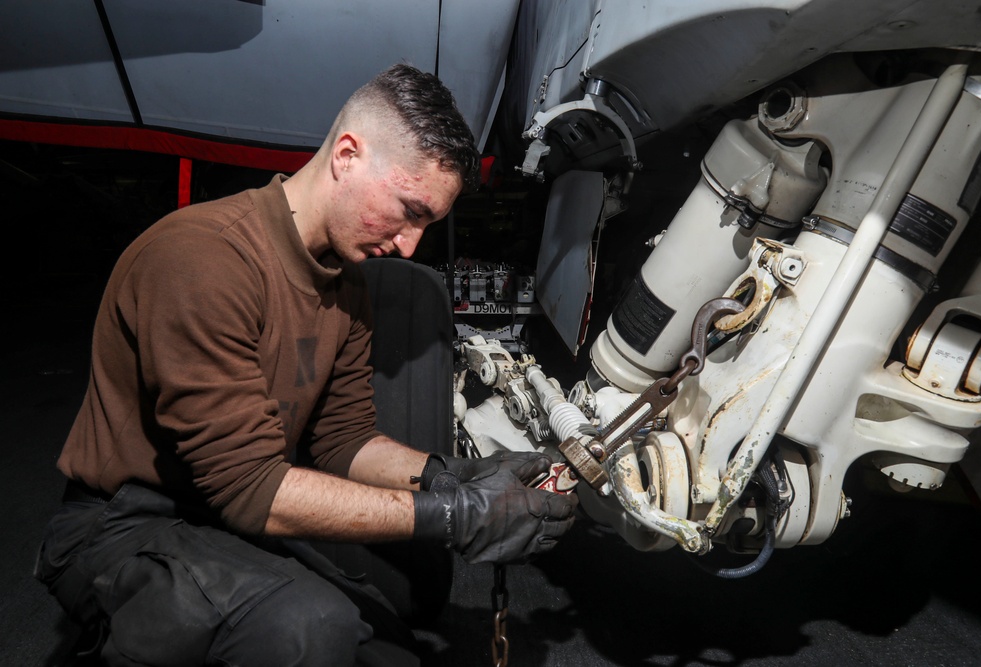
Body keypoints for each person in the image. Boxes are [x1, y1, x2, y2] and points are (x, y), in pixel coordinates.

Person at [34, 63, 577, 666]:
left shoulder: (347, 283)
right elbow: (251, 487)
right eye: (409, 210)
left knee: (389, 652)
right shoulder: (201, 259)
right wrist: (452, 514)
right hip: (121, 527)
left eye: (426, 225)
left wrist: (453, 476)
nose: (409, 246)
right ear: (347, 155)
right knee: (312, 629)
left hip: (225, 515)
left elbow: (343, 441)